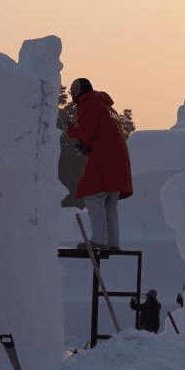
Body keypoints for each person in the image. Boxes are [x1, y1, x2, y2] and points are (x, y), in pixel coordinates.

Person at [65, 78, 134, 250]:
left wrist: (69, 130)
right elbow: (102, 137)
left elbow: (86, 132)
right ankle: (113, 242)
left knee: (93, 197)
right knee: (110, 200)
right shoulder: (108, 108)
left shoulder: (87, 104)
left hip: (104, 161)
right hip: (118, 163)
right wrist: (87, 149)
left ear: (76, 91)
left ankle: (99, 240)